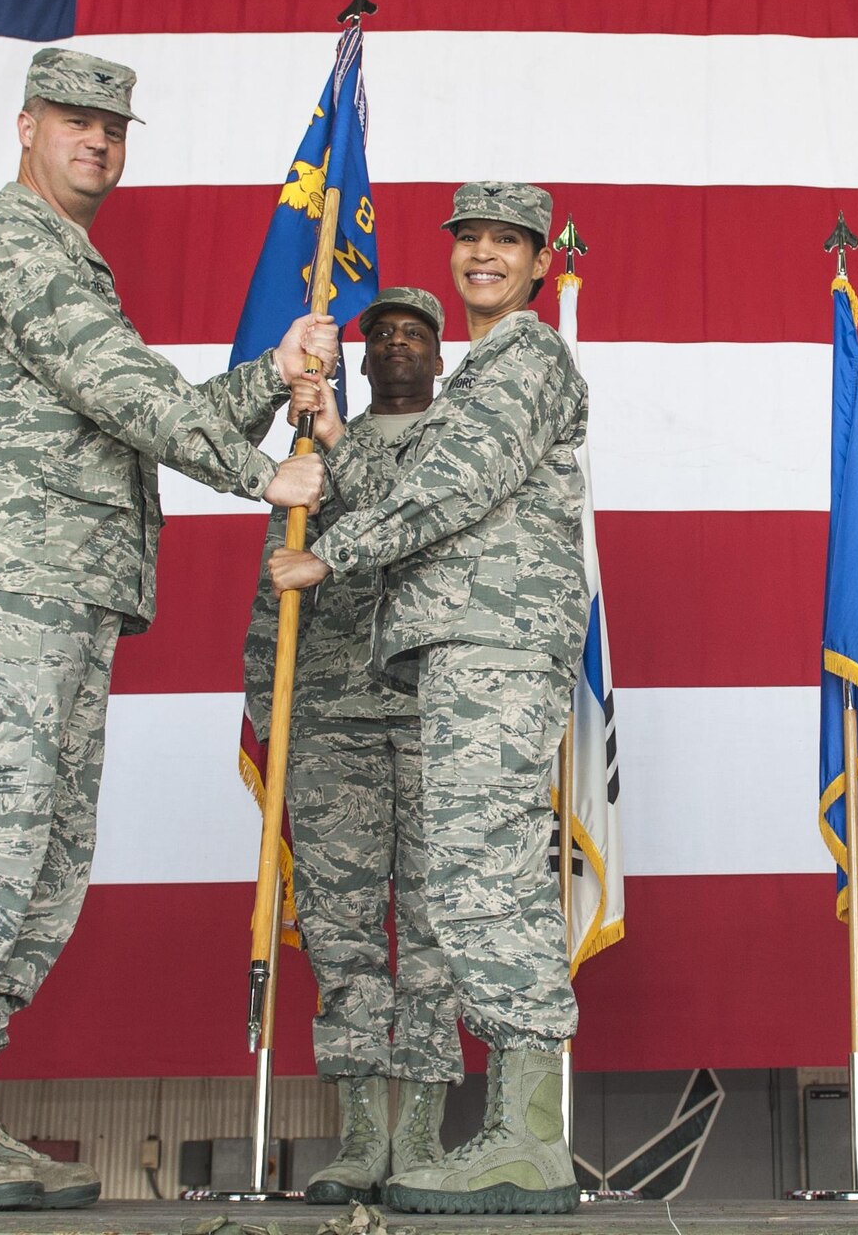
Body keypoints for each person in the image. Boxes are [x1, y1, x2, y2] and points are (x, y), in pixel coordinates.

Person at [0, 48, 333, 1213]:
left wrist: (273, 372)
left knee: (46, 851)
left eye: (115, 129)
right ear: (25, 127)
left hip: (60, 593)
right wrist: (262, 471)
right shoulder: (3, 239)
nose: (98, 143)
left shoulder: (74, 263)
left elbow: (127, 403)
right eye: (75, 122)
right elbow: (121, 388)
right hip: (0, 585)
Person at [270, 182, 589, 1216]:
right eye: (471, 240)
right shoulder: (487, 366)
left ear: (539, 263)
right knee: (469, 871)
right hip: (463, 643)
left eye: (507, 242)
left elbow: (453, 482)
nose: (484, 255)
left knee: (481, 869)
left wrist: (335, 552)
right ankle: (512, 1128)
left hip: (495, 637)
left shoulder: (525, 358)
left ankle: (527, 1136)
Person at [243, 287, 457, 1204]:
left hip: (441, 715)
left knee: (439, 927)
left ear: (440, 360)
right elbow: (273, 602)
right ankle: (363, 1135)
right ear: (361, 363)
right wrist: (275, 720)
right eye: (383, 338)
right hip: (332, 720)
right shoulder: (313, 457)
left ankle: (423, 1138)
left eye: (417, 335)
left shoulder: (464, 450)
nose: (399, 346)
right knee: (340, 932)